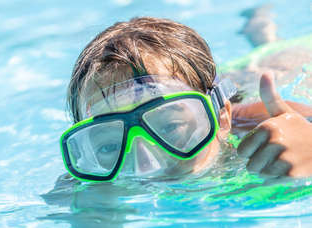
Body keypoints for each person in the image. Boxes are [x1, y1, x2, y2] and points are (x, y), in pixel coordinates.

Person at [59, 15, 312, 182]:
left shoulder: (272, 125)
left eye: (170, 127)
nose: (147, 167)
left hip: (288, 74)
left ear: (221, 116)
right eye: (109, 146)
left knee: (274, 60)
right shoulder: (91, 178)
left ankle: (262, 31)